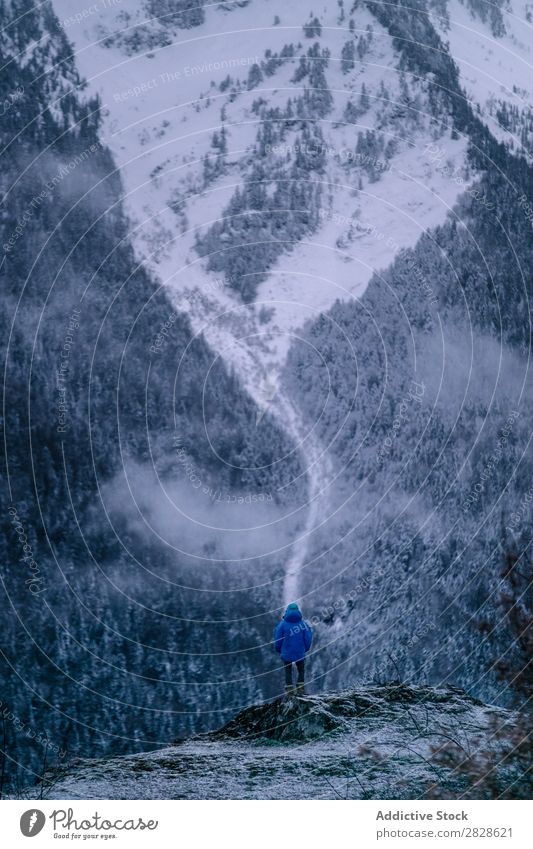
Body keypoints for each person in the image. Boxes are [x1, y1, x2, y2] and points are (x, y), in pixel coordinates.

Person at [274, 602, 313, 695]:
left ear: (287, 612)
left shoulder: (282, 625)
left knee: (288, 671)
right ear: (298, 612)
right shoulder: (303, 624)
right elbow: (308, 639)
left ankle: (289, 690)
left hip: (286, 653)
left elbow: (278, 640)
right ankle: (300, 689)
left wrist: (279, 650)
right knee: (301, 670)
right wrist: (305, 649)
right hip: (300, 653)